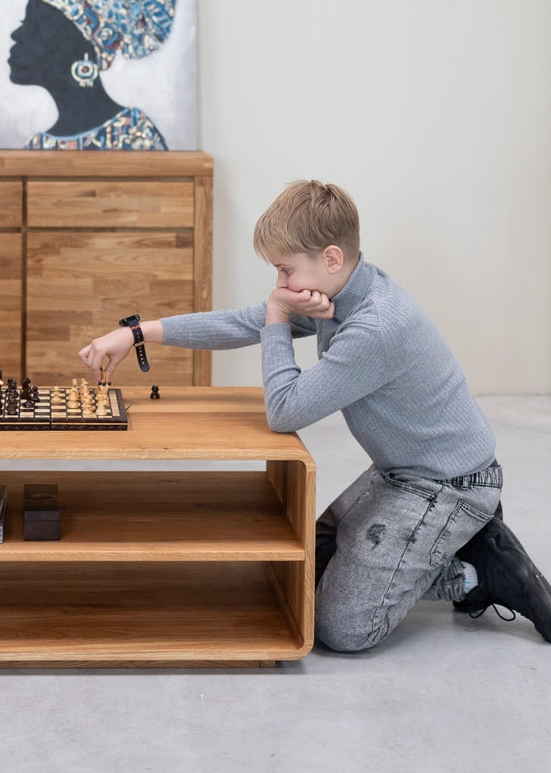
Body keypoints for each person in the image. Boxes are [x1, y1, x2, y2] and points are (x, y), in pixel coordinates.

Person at [79, 179, 551, 652]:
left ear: (330, 258)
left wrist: (278, 314)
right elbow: (246, 321)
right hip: (399, 472)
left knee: (340, 628)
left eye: (285, 270)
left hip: (449, 485)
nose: (280, 284)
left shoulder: (375, 326)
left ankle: (475, 575)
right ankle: (441, 548)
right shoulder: (339, 291)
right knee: (307, 567)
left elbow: (284, 411)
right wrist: (139, 333)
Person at [9, 0, 174, 150]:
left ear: (79, 48)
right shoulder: (38, 146)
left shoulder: (136, 136)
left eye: (36, 25)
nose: (17, 34)